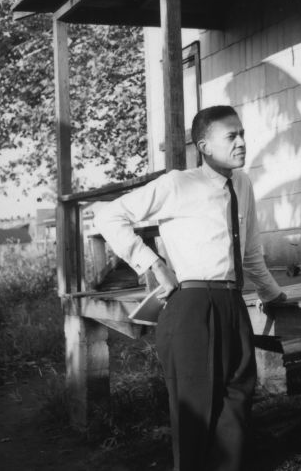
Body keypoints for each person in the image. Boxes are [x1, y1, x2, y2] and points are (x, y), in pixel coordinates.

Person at [96, 105, 286, 471]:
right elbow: (109, 215)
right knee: (195, 415)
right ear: (204, 145)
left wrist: (271, 294)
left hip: (233, 304)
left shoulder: (243, 184)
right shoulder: (178, 183)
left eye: (243, 133)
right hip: (192, 308)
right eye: (231, 136)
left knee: (237, 406)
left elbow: (251, 253)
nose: (242, 142)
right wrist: (152, 263)